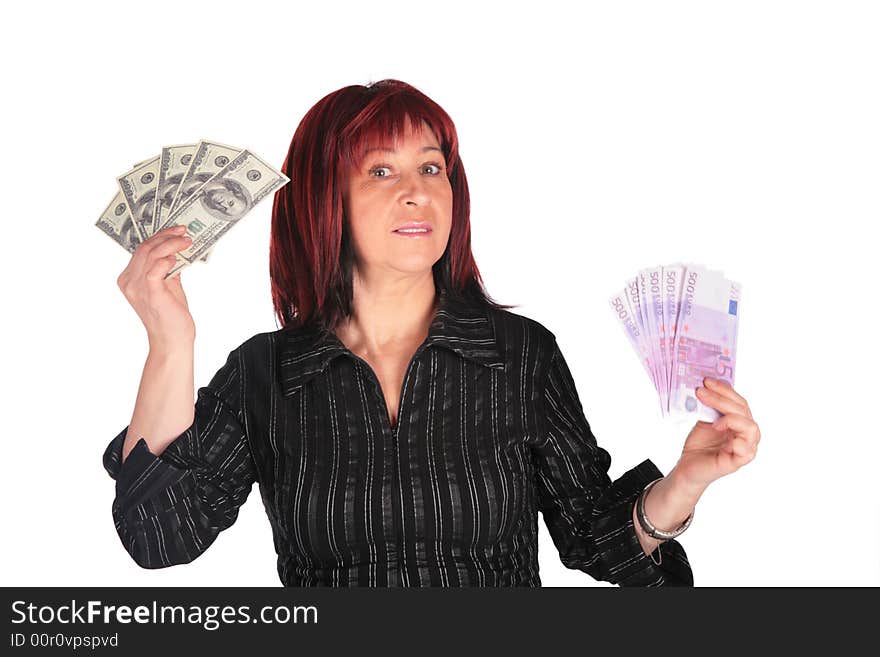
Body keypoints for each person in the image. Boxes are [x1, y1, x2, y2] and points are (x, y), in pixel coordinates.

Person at [105, 79, 761, 586]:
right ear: (322, 199)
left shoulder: (520, 355)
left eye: (432, 167)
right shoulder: (263, 373)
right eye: (381, 171)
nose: (418, 191)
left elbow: (593, 537)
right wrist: (170, 342)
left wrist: (687, 478)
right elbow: (157, 536)